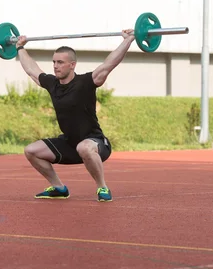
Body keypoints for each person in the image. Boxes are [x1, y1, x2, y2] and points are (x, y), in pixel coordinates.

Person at [15, 29, 136, 202]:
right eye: (54, 62)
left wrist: (128, 40)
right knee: (31, 151)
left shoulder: (86, 83)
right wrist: (20, 48)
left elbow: (109, 64)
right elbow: (32, 70)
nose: (56, 66)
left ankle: (102, 187)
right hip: (69, 143)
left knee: (84, 147)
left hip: (95, 143)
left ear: (72, 65)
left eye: (60, 62)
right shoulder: (52, 84)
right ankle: (59, 188)